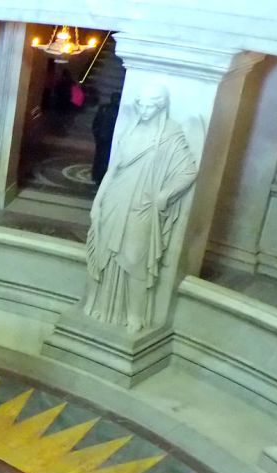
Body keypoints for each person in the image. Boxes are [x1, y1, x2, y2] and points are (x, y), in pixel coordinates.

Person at [83, 85, 197, 331]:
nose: (144, 111)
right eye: (141, 106)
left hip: (143, 205)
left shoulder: (170, 134)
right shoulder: (130, 129)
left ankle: (135, 315)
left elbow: (189, 171)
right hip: (116, 199)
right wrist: (98, 202)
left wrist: (165, 195)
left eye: (150, 106)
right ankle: (102, 305)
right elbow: (112, 170)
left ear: (161, 107)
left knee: (135, 259)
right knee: (106, 254)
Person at [91, 91, 121, 184]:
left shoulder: (107, 109)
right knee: (102, 158)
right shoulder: (107, 109)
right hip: (105, 137)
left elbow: (96, 122)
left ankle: (98, 176)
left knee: (102, 157)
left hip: (106, 137)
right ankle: (98, 175)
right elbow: (96, 122)